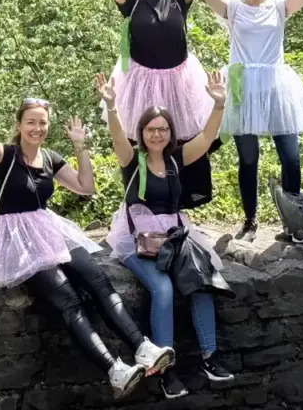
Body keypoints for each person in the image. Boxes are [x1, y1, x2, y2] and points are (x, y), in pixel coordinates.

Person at [0, 85, 172, 399]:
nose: (37, 128)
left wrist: (79, 146)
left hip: (48, 229)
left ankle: (143, 347)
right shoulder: (6, 155)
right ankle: (115, 369)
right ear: (19, 125)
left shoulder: (50, 158)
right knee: (68, 299)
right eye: (31, 122)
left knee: (99, 281)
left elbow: (86, 187)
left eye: (43, 122)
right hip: (16, 238)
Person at [97, 70, 233, 399]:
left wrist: (219, 104)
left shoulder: (176, 158)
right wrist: (112, 107)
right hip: (139, 239)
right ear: (142, 133)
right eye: (151, 129)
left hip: (173, 236)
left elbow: (206, 137)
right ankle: (164, 369)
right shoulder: (132, 159)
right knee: (163, 288)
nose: (157, 134)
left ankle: (210, 357)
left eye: (163, 129)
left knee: (201, 282)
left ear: (171, 133)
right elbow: (117, 136)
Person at [96, 0, 217, 209]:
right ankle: (141, 205)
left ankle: (180, 207)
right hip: (141, 83)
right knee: (141, 141)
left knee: (182, 140)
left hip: (179, 82)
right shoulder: (131, 0)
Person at [197, 0, 303, 243]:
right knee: (249, 158)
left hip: (276, 84)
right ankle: (250, 222)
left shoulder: (279, 6)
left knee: (290, 157)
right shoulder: (234, 9)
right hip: (241, 84)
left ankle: (294, 221)